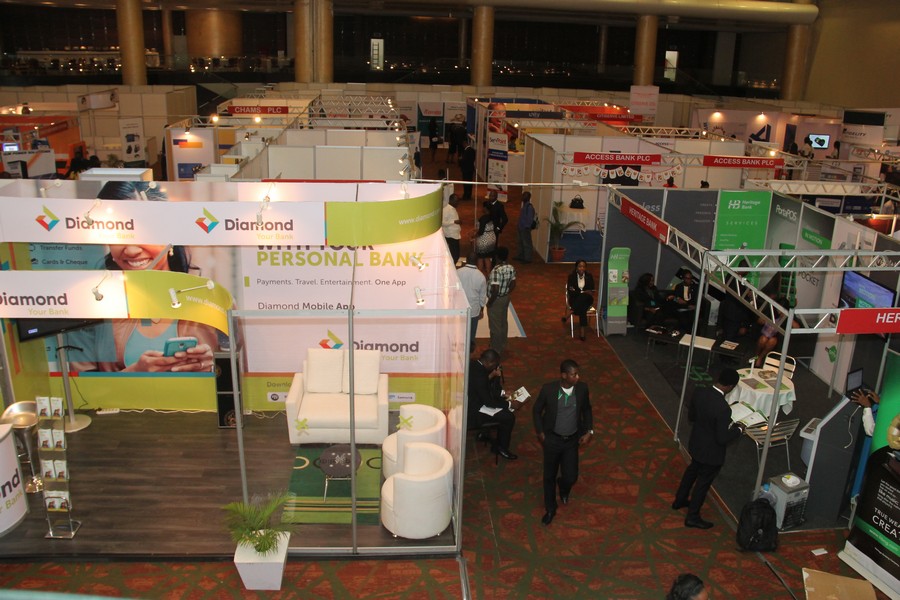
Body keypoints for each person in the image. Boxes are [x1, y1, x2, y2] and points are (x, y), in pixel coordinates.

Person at [67, 181, 218, 373]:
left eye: (143, 232)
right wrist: (135, 375)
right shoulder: (89, 306)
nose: (131, 250)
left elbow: (239, 379)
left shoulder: (211, 300)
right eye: (118, 234)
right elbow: (80, 388)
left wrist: (212, 369)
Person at [672, 368, 742, 529]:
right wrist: (738, 430)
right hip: (711, 453)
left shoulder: (700, 392)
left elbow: (692, 417)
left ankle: (680, 500)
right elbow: (722, 438)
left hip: (697, 443)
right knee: (702, 484)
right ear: (730, 387)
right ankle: (693, 516)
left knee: (692, 471)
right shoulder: (723, 408)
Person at [533, 358, 593, 525]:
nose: (578, 377)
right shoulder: (548, 389)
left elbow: (587, 409)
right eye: (574, 375)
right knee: (549, 476)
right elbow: (536, 410)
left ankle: (564, 486)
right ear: (564, 375)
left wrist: (589, 430)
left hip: (571, 441)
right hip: (552, 440)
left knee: (571, 476)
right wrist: (540, 433)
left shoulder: (582, 389)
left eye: (578, 374)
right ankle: (550, 509)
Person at [468, 349, 517, 460]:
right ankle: (501, 448)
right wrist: (509, 405)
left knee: (502, 406)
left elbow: (485, 388)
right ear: (490, 362)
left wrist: (503, 393)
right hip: (475, 410)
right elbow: (489, 402)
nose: (495, 367)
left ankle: (484, 434)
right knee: (509, 417)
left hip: (476, 400)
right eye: (495, 365)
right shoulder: (480, 375)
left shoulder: (474, 365)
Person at [487, 247, 516, 357]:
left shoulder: (496, 270)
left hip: (496, 300)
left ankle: (496, 349)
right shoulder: (511, 267)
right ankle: (503, 344)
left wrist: (490, 302)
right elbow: (513, 284)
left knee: (495, 326)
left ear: (497, 257)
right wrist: (506, 292)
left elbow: (495, 289)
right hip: (505, 298)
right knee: (503, 322)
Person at [457, 253, 487, 354]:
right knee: (471, 333)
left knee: (459, 331)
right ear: (477, 262)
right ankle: (469, 352)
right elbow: (482, 297)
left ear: (466, 260)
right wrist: (482, 310)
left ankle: (459, 350)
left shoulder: (458, 272)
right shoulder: (481, 276)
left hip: (459, 308)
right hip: (473, 310)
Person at [564, 260, 595, 341]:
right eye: (580, 266)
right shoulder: (571, 276)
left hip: (587, 299)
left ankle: (571, 311)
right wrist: (583, 292)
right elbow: (570, 291)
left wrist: (581, 292)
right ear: (576, 267)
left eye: (584, 267)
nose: (582, 268)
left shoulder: (589, 276)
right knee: (582, 308)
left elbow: (592, 290)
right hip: (575, 299)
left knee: (584, 297)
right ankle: (582, 331)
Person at [473, 201, 497, 278]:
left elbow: (481, 231)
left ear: (485, 208)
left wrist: (474, 236)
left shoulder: (484, 218)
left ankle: (479, 276)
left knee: (480, 257)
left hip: (484, 240)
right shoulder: (493, 216)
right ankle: (489, 275)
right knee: (487, 257)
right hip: (492, 237)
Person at [514, 191, 536, 264]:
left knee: (527, 244)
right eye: (523, 195)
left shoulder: (529, 207)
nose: (523, 197)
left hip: (525, 228)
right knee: (520, 242)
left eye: (524, 196)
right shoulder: (524, 206)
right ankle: (520, 256)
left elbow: (529, 219)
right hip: (520, 227)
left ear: (528, 198)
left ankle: (527, 258)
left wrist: (526, 227)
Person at [442, 193, 461, 264]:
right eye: (456, 201)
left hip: (455, 235)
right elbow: (443, 223)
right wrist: (454, 222)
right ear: (451, 200)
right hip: (450, 235)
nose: (457, 203)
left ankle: (452, 266)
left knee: (455, 255)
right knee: (454, 255)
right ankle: (452, 267)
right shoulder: (446, 210)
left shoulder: (453, 209)